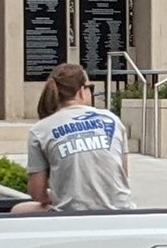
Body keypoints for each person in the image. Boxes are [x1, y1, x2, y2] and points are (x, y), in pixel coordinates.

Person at [15, 62, 131, 214]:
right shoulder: (112, 120)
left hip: (70, 215)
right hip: (121, 212)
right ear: (81, 91)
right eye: (90, 87)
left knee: (18, 210)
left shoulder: (40, 129)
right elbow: (123, 174)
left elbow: (37, 193)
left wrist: (56, 195)